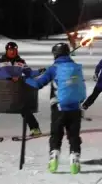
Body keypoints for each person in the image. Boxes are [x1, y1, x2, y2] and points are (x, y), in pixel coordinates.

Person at [25, 43, 86, 174]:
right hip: (75, 107)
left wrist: (26, 79)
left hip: (58, 108)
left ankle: (53, 160)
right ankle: (75, 162)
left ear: (55, 54)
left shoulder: (54, 69)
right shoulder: (75, 67)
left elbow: (38, 84)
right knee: (74, 136)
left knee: (56, 135)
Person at [0, 42, 43, 137]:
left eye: (14, 50)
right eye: (10, 50)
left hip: (16, 91)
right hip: (4, 91)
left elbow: (29, 73)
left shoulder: (21, 62)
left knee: (25, 110)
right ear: (7, 50)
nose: (12, 52)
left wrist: (39, 71)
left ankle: (35, 129)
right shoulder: (0, 62)